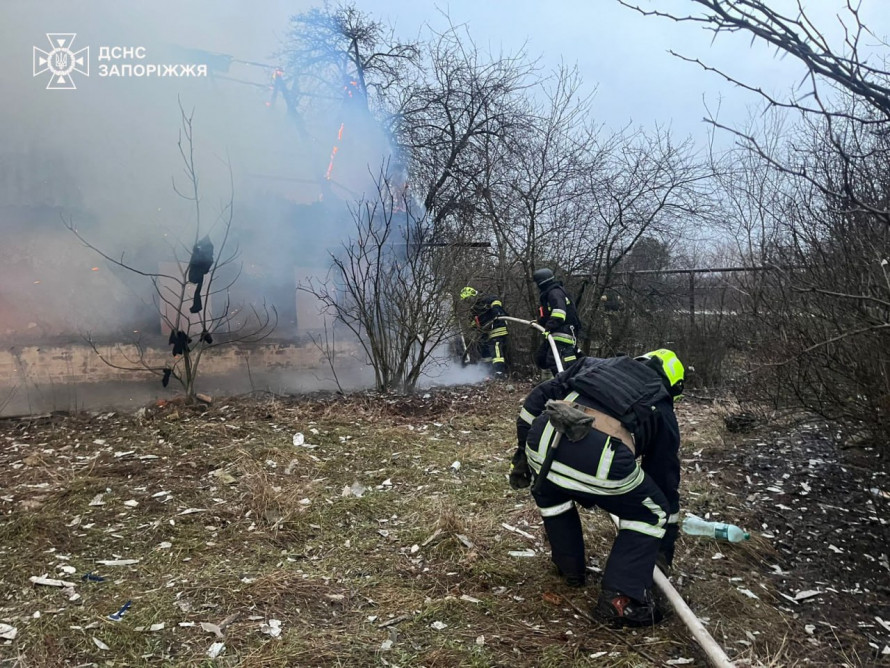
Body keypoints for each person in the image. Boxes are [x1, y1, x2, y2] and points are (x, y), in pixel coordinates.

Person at [508, 349, 685, 626]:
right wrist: (662, 547)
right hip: (601, 459)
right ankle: (620, 599)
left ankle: (570, 569)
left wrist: (523, 451)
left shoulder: (594, 365)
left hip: (542, 445)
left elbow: (536, 399)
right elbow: (663, 479)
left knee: (551, 494)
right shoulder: (661, 403)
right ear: (672, 386)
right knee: (652, 512)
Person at [532, 268, 583, 373]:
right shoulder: (550, 293)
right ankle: (551, 383)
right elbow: (548, 314)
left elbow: (559, 314)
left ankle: (564, 384)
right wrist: (539, 322)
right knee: (541, 358)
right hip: (556, 331)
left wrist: (548, 327)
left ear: (541, 282)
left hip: (563, 332)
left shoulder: (554, 293)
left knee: (555, 361)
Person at [460, 286, 510, 377]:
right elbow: (473, 322)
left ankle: (500, 372)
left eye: (467, 300)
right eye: (466, 301)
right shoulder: (473, 309)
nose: (467, 302)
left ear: (472, 296)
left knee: (496, 350)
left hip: (497, 329)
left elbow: (496, 301)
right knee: (485, 353)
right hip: (485, 333)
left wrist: (497, 310)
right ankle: (488, 372)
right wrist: (475, 327)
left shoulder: (485, 298)